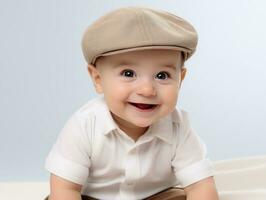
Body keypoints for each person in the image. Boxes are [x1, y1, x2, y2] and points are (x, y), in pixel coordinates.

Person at [44, 6, 219, 200]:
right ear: (98, 79)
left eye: (162, 75)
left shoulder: (178, 126)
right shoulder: (84, 125)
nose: (147, 90)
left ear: (181, 79)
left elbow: (200, 186)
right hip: (94, 197)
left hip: (156, 196)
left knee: (179, 196)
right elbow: (65, 188)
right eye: (128, 74)